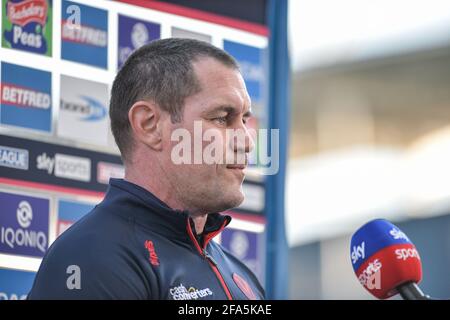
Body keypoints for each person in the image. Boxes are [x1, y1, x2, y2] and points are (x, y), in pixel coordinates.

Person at [28, 38, 265, 300]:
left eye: (244, 119)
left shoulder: (240, 275)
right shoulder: (93, 258)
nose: (247, 141)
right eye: (221, 118)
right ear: (149, 125)